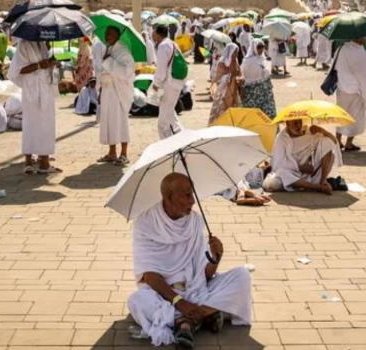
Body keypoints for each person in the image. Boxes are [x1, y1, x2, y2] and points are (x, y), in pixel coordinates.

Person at [127, 173, 252, 348]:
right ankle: (206, 314)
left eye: (192, 194)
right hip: (164, 294)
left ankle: (186, 323)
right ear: (169, 197)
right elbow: (150, 277)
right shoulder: (145, 223)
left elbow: (205, 275)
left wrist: (216, 258)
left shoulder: (194, 222)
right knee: (137, 300)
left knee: (242, 276)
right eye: (186, 195)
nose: (192, 201)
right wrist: (181, 303)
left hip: (196, 289)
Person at [7, 40, 60, 175]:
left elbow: (45, 66)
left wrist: (51, 62)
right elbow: (16, 71)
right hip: (31, 91)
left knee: (46, 125)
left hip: (45, 89)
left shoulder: (42, 43)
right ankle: (29, 161)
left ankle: (44, 160)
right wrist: (38, 65)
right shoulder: (23, 45)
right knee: (30, 124)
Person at [266, 120, 343, 195]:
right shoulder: (281, 138)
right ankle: (317, 187)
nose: (299, 126)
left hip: (310, 173)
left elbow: (333, 142)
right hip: (292, 172)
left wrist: (323, 131)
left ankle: (323, 182)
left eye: (300, 122)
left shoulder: (309, 132)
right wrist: (299, 167)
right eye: (295, 123)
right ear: (287, 124)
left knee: (327, 145)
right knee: (281, 173)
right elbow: (278, 164)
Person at [97, 26, 135, 165]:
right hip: (108, 90)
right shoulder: (108, 48)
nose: (108, 36)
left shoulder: (123, 50)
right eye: (107, 34)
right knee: (109, 121)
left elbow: (127, 71)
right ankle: (112, 152)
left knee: (121, 121)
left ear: (117, 35)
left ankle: (124, 153)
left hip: (119, 92)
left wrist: (109, 61)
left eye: (112, 34)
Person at [334, 37, 366, 152]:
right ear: (356, 37)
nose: (365, 39)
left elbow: (335, 66)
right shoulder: (360, 51)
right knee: (356, 117)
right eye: (363, 36)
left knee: (341, 115)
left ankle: (337, 140)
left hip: (342, 88)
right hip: (356, 91)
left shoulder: (341, 49)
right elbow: (363, 74)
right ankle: (349, 143)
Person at [152, 25, 186, 139]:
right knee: (170, 113)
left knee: (163, 120)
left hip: (169, 84)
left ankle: (166, 145)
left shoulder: (163, 46)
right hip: (177, 82)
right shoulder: (173, 43)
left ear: (157, 34)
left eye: (154, 33)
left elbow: (161, 69)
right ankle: (182, 137)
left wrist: (155, 84)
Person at [240, 39, 277, 118]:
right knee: (253, 115)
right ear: (254, 47)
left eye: (262, 47)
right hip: (251, 93)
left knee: (268, 114)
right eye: (259, 47)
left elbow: (266, 75)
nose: (261, 49)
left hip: (265, 92)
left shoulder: (263, 60)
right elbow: (243, 76)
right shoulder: (247, 61)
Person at [209, 43, 242, 125]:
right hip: (222, 91)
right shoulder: (221, 63)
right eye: (234, 52)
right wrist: (229, 76)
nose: (235, 55)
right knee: (221, 110)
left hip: (233, 90)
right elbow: (218, 78)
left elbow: (239, 74)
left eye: (236, 52)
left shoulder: (235, 62)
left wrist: (237, 78)